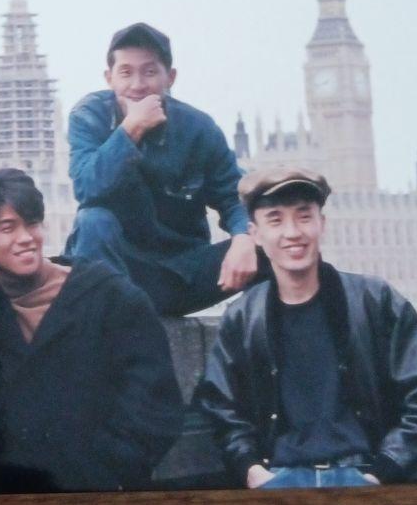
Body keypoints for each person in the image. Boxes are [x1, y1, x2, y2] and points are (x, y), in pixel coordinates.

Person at [195, 166, 417, 490]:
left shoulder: (377, 300)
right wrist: (252, 471)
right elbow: (221, 406)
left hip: (364, 474)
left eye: (304, 217)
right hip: (280, 480)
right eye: (276, 220)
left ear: (322, 224)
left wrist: (383, 472)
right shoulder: (242, 317)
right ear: (256, 234)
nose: (292, 232)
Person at [0, 168, 184, 493]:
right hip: (2, 499)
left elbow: (155, 405)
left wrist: (106, 472)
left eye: (32, 223)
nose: (26, 237)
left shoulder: (111, 297)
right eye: (7, 228)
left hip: (92, 495)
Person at [66, 21, 269, 316]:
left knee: (270, 244)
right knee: (93, 221)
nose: (137, 85)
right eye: (126, 73)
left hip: (182, 274)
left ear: (170, 78)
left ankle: (249, 333)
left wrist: (243, 237)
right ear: (109, 78)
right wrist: (130, 130)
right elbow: (87, 189)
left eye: (150, 72)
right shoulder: (89, 116)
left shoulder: (197, 128)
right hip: (116, 273)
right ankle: (106, 334)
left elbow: (235, 195)